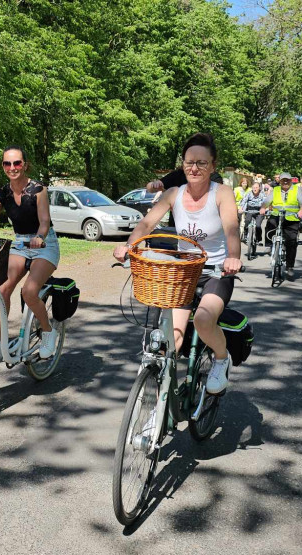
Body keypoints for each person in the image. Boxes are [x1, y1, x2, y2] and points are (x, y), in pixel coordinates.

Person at [115, 133, 242, 395]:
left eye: (201, 163)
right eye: (189, 162)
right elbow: (147, 224)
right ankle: (160, 407)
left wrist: (233, 257)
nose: (194, 168)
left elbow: (231, 228)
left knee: (205, 319)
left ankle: (221, 358)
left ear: (213, 166)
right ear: (182, 164)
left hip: (216, 271)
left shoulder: (222, 193)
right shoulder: (173, 193)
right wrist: (129, 246)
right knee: (169, 339)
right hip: (184, 271)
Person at [0, 146, 61, 357]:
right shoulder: (3, 193)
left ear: (25, 165)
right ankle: (0, 345)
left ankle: (48, 332)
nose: (12, 168)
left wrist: (39, 237)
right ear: (3, 166)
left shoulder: (38, 189)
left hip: (44, 244)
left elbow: (44, 221)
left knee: (29, 291)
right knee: (2, 290)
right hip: (21, 244)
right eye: (7, 163)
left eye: (17, 163)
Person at [261, 172, 302, 278]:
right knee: (269, 225)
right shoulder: (275, 190)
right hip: (277, 215)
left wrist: (301, 211)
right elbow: (267, 201)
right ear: (279, 181)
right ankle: (269, 245)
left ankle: (290, 266)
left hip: (292, 218)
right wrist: (263, 207)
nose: (285, 182)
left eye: (287, 180)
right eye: (283, 180)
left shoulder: (296, 189)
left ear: (291, 181)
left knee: (292, 241)